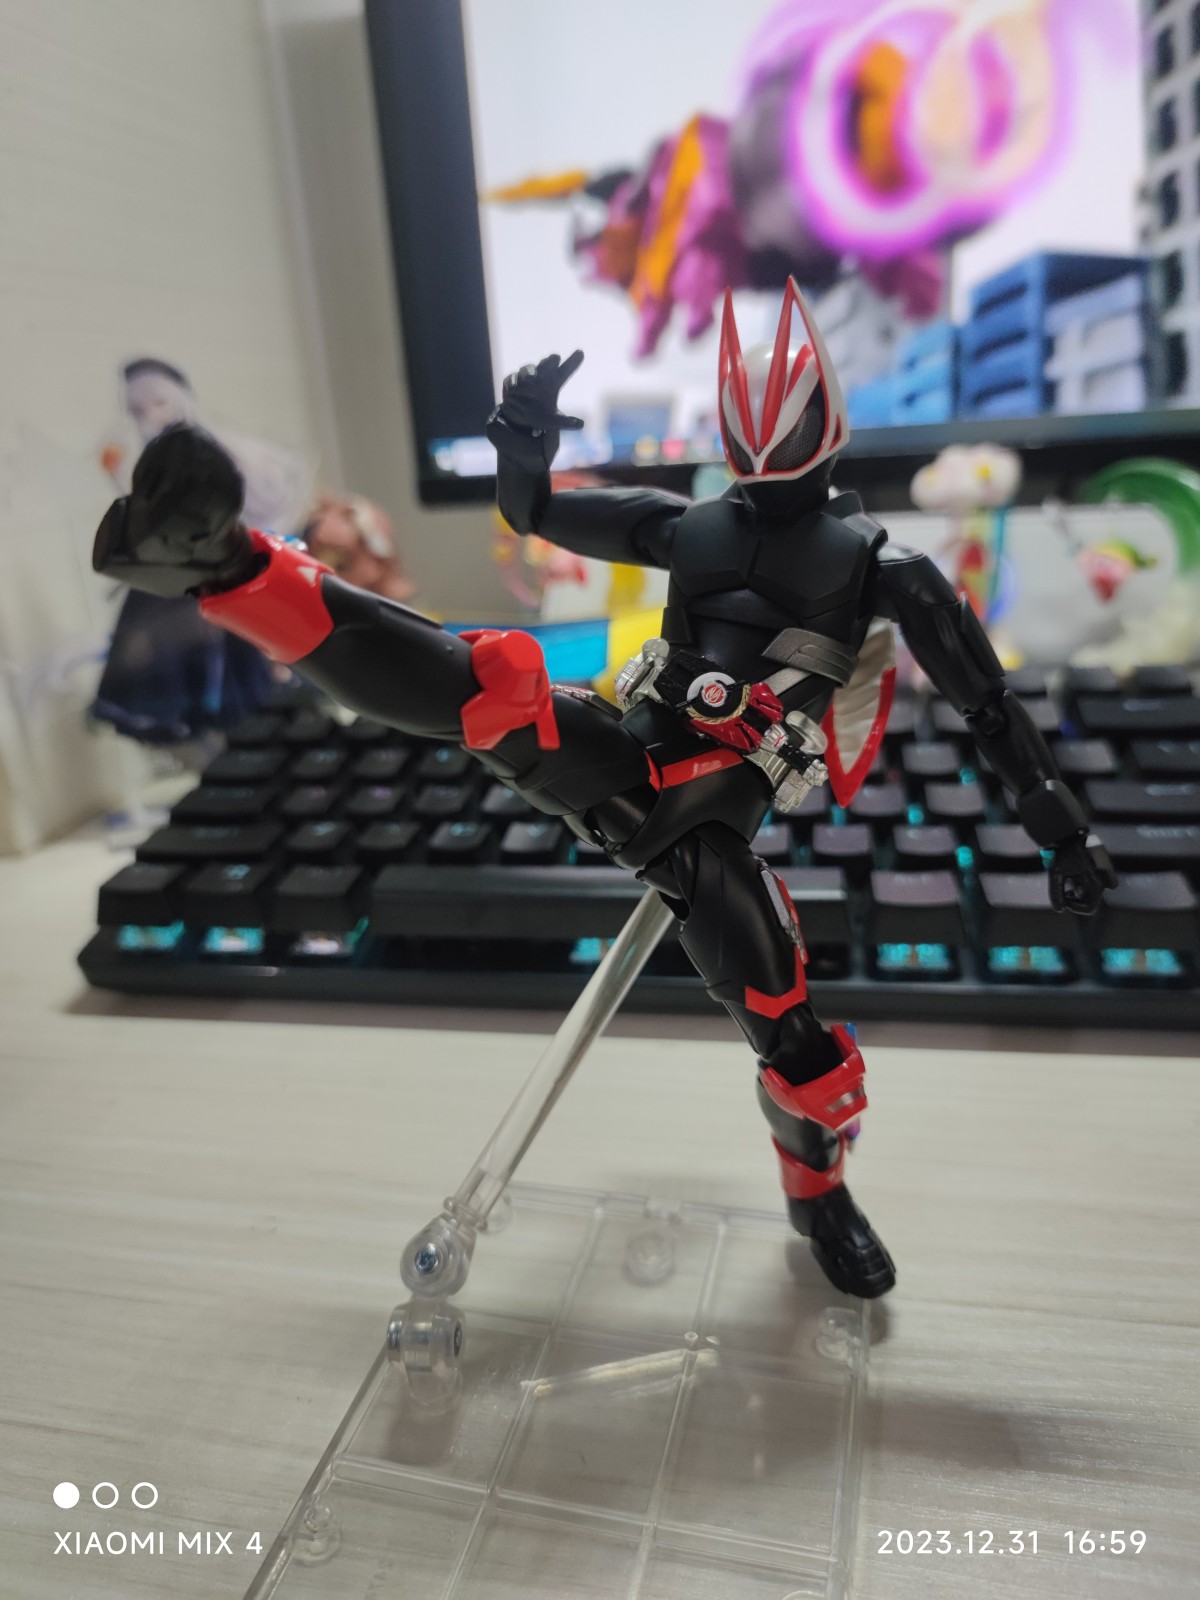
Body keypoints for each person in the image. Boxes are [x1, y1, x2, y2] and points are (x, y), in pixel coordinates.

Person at [91, 281, 1114, 1297]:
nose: (766, 459)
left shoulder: (884, 570)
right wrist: (523, 444)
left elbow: (989, 705)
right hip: (628, 757)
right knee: (493, 680)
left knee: (803, 1052)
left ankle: (819, 1198)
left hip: (715, 818)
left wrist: (1060, 828)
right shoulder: (694, 527)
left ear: (824, 425)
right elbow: (534, 510)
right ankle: (230, 567)